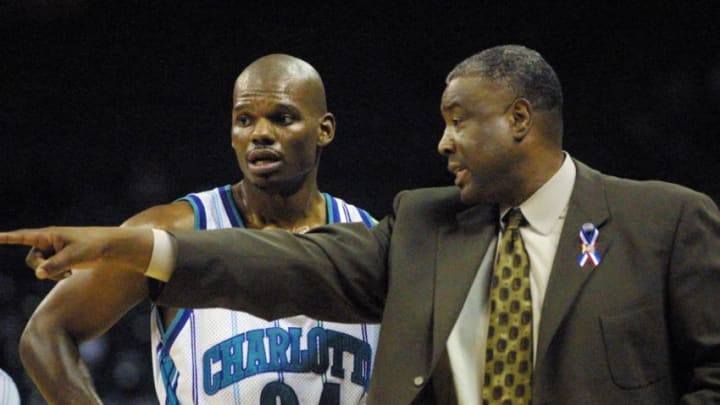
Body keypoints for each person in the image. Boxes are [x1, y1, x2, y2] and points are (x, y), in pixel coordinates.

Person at [3, 45, 720, 404]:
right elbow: (271, 264)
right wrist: (130, 242)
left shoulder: (664, 219)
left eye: (457, 121)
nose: (441, 143)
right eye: (243, 119)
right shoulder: (417, 230)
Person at [15, 54, 380, 404]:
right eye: (244, 119)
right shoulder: (172, 229)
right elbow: (45, 332)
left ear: (325, 130)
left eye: (282, 118)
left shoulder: (375, 243)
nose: (260, 134)